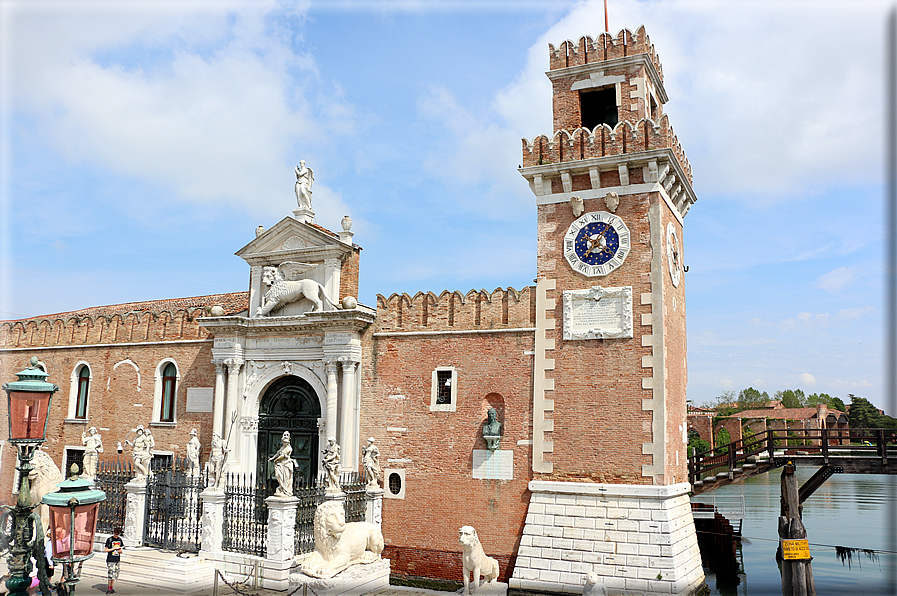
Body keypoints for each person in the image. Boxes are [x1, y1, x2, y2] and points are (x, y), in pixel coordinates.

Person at [268, 431, 294, 497]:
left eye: (286, 442)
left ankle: (286, 491)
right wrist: (272, 458)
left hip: (286, 465)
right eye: (284, 442)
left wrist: (276, 460)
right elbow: (278, 454)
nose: (285, 443)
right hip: (281, 465)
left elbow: (282, 456)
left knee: (286, 479)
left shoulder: (289, 448)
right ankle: (281, 489)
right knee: (280, 477)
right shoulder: (282, 448)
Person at [104, 525, 124, 594]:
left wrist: (120, 550)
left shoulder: (120, 540)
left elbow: (121, 549)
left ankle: (112, 587)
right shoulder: (110, 540)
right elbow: (106, 550)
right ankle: (109, 588)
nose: (116, 535)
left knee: (115, 574)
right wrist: (113, 549)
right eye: (115, 533)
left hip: (117, 559)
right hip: (111, 559)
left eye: (117, 534)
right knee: (111, 574)